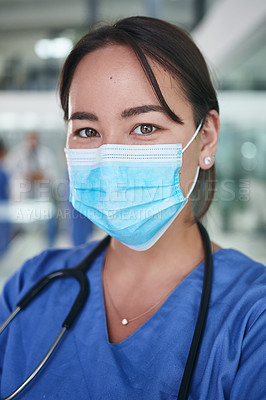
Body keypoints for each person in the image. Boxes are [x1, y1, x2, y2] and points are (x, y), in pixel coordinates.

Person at [0, 16, 265, 400]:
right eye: (87, 131)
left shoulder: (252, 317)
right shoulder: (32, 286)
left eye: (144, 127)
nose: (109, 157)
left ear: (205, 139)